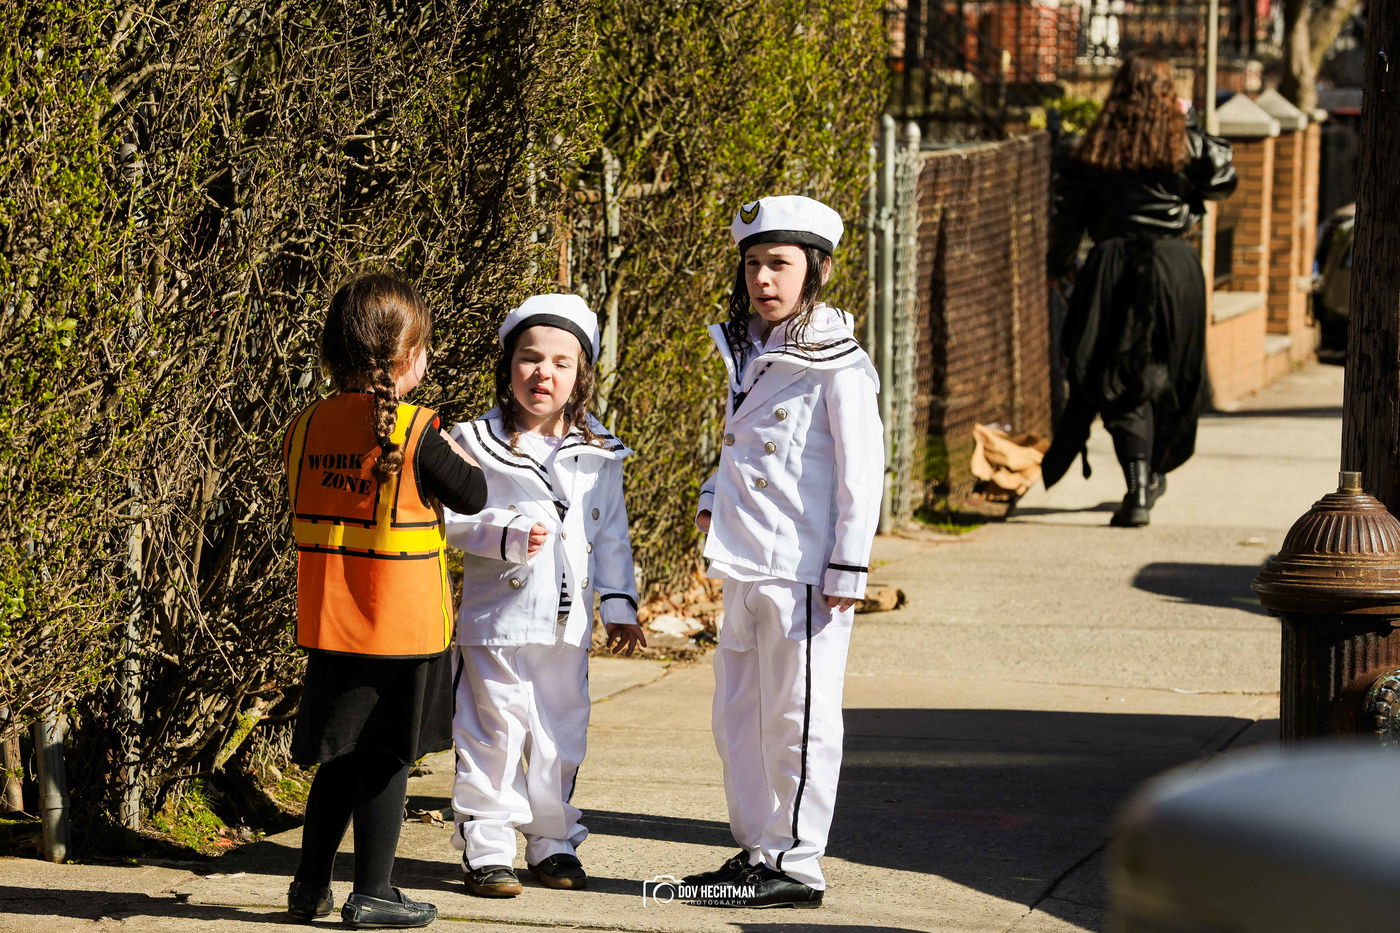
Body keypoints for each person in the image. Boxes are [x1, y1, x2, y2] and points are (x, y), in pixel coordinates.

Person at [684, 195, 883, 908]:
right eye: (752, 264)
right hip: (743, 560)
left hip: (804, 568)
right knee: (739, 713)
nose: (762, 278)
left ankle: (798, 862)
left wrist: (848, 566)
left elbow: (864, 472)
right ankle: (759, 848)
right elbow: (741, 441)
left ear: (816, 271)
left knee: (797, 716)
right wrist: (713, 493)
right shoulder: (751, 346)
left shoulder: (838, 363)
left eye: (779, 264)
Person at [281, 272, 488, 928]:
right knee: (387, 757)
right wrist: (446, 444)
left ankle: (308, 886)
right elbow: (473, 493)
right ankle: (374, 891)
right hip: (401, 630)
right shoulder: (416, 430)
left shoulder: (306, 424)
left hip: (329, 622)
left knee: (339, 755)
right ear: (410, 358)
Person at [442, 293, 645, 898]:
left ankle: (552, 839)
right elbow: (444, 518)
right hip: (496, 620)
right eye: (530, 358)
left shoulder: (601, 451)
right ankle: (488, 844)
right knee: (492, 732)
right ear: (508, 365)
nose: (544, 374)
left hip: (567, 628)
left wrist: (619, 604)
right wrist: (502, 534)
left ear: (581, 373)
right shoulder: (472, 441)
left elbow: (611, 532)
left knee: (561, 732)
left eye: (561, 362)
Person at [1042, 50, 1237, 526]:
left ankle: (1139, 484)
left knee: (1112, 374)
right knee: (1171, 371)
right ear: (1169, 94)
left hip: (1112, 266)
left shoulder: (1095, 147)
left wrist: (1060, 265)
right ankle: (1150, 476)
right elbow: (1223, 178)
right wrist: (1188, 122)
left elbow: (1069, 217)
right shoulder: (1184, 145)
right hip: (1174, 267)